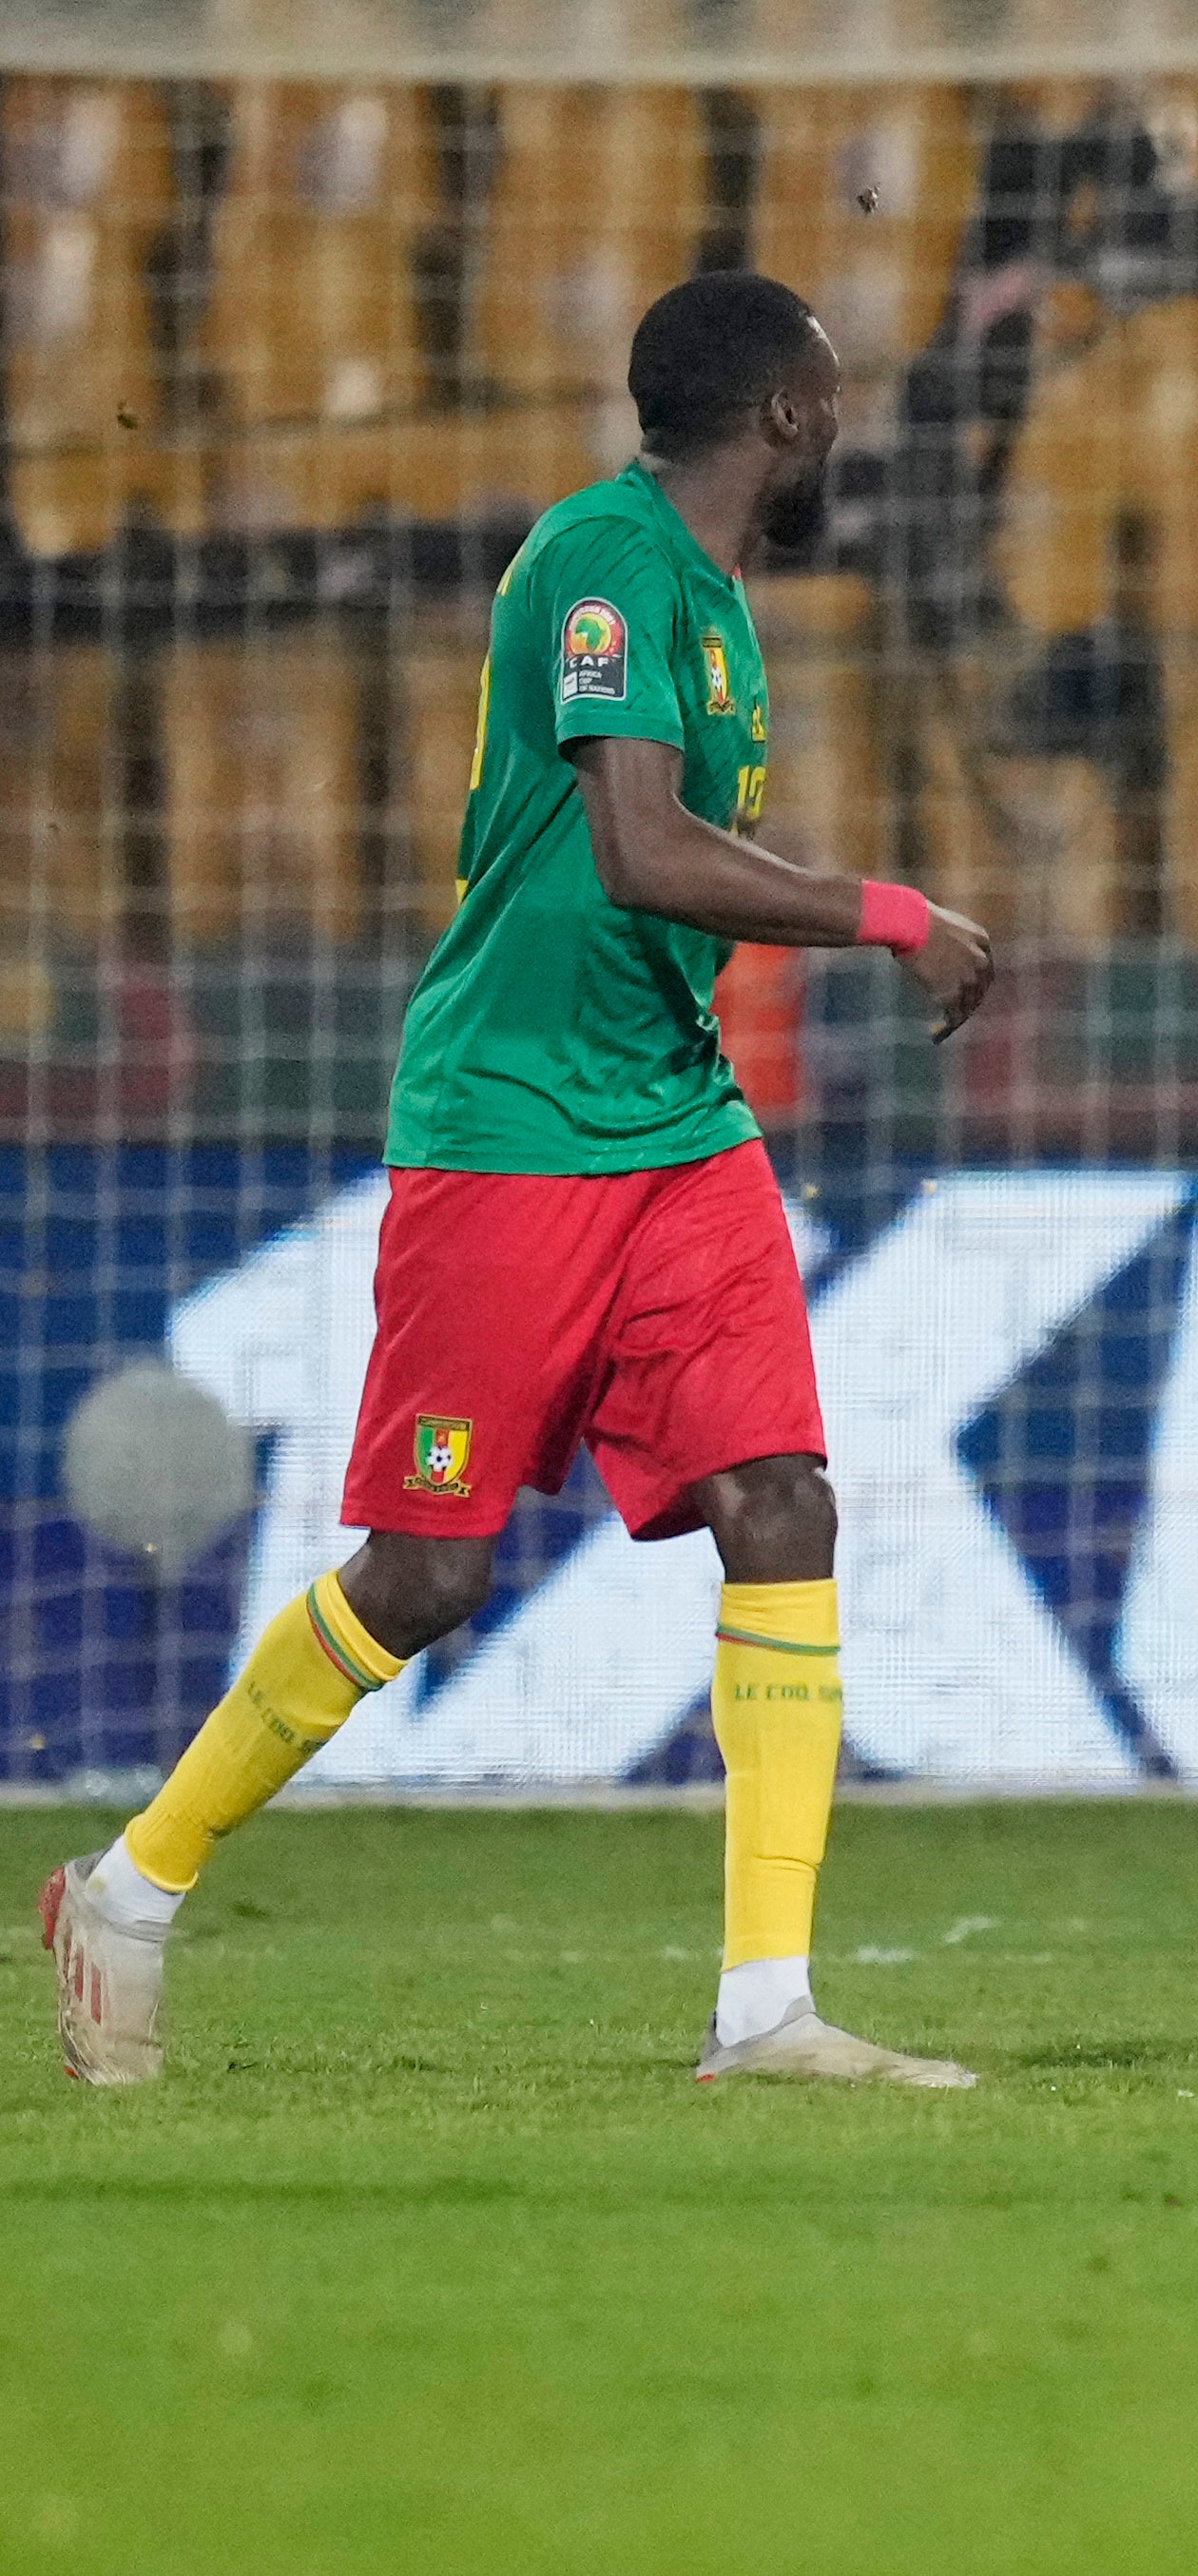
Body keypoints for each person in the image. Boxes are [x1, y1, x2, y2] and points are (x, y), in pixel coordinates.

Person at [43, 271, 998, 2089]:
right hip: (507, 1126)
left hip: (678, 1126)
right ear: (786, 409)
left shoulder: (709, 595)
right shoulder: (607, 558)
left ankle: (767, 2012)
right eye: (835, 389)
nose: (848, 418)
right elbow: (639, 850)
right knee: (423, 1575)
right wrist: (885, 914)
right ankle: (129, 1889)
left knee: (782, 1502)